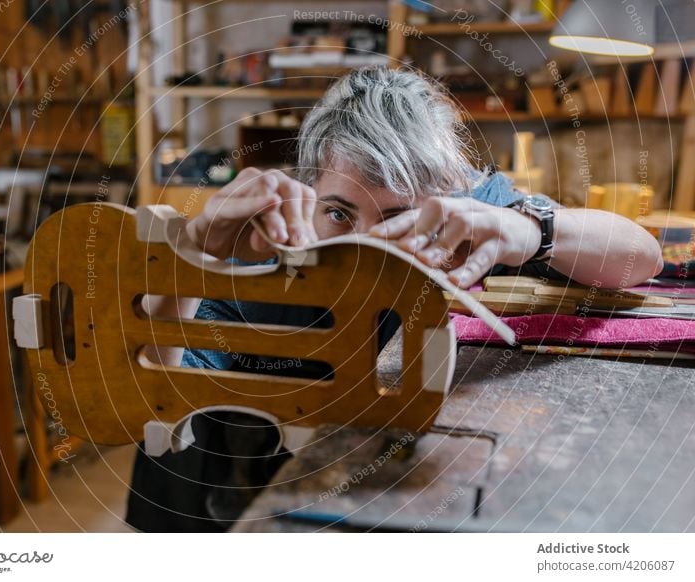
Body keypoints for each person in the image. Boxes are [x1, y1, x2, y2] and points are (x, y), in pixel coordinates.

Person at [125, 66, 663, 532]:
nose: (363, 245)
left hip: (411, 487)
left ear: (450, 193)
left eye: (397, 218)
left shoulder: (475, 214)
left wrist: (533, 232)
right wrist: (191, 262)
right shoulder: (261, 243)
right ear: (306, 189)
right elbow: (155, 396)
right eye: (339, 214)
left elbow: (642, 258)